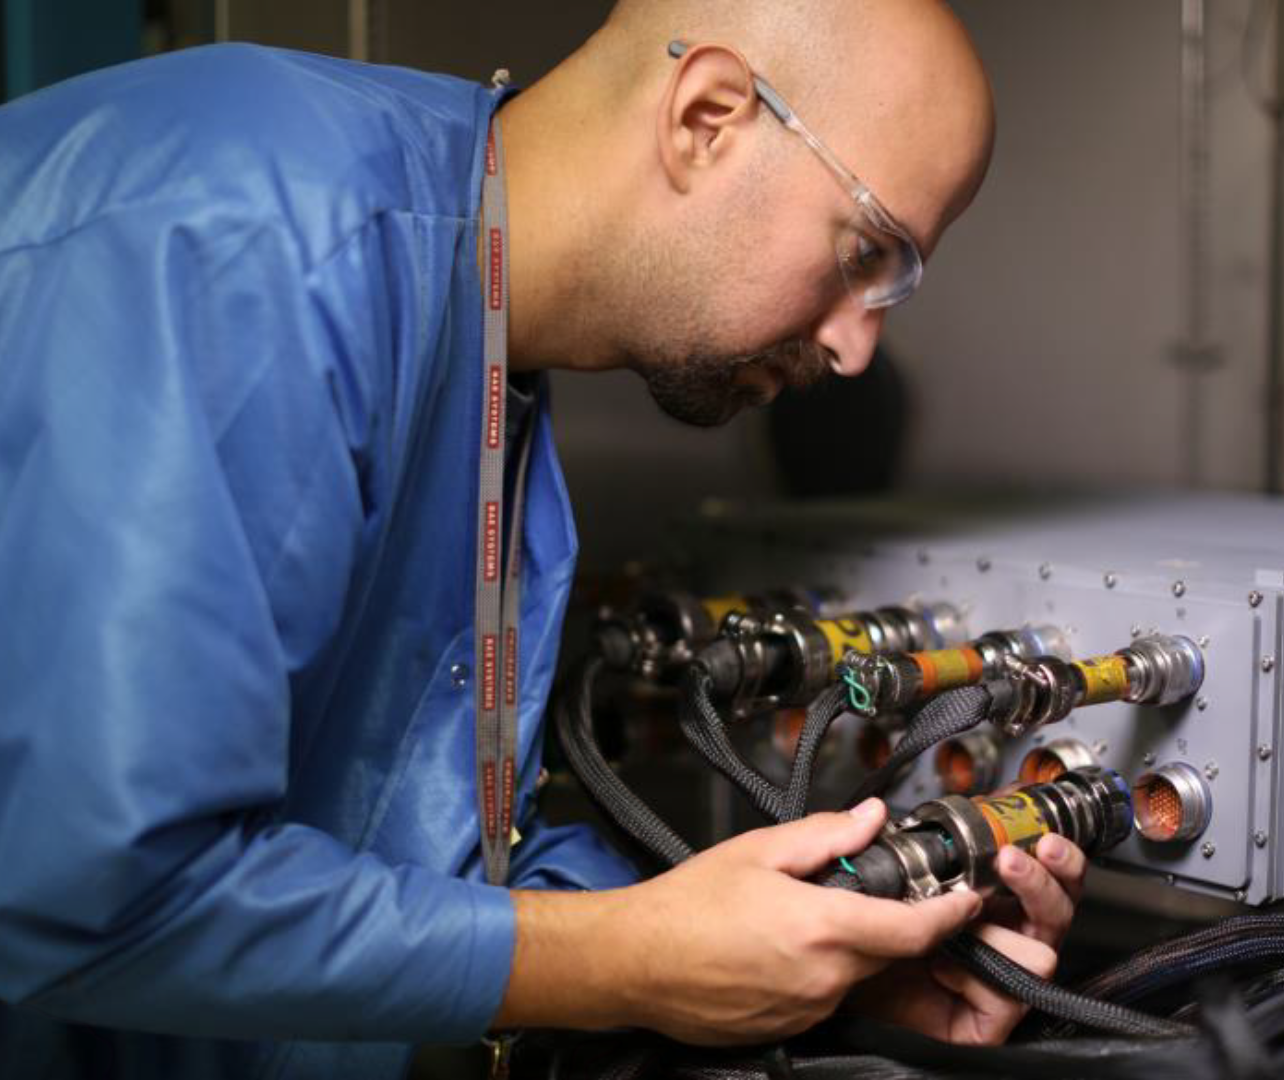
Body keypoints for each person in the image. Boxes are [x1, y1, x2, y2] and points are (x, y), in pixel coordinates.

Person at [0, 1, 1086, 1077]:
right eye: (865, 251)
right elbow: (96, 890)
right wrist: (634, 962)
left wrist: (818, 971)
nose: (856, 349)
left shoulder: (483, 347)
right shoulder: (254, 234)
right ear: (706, 117)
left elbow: (437, 852)